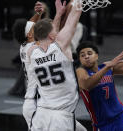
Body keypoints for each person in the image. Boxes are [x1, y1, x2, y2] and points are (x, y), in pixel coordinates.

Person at [76, 28, 123, 131]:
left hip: (120, 115)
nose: (86, 57)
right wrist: (107, 67)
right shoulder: (81, 71)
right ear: (80, 59)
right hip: (103, 124)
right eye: (82, 55)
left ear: (97, 55)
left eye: (89, 53)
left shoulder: (107, 67)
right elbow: (88, 85)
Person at [27, 1, 85, 131]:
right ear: (51, 35)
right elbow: (72, 21)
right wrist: (77, 4)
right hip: (61, 116)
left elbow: (49, 35)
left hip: (41, 114)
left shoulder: (31, 52)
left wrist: (59, 15)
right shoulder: (61, 45)